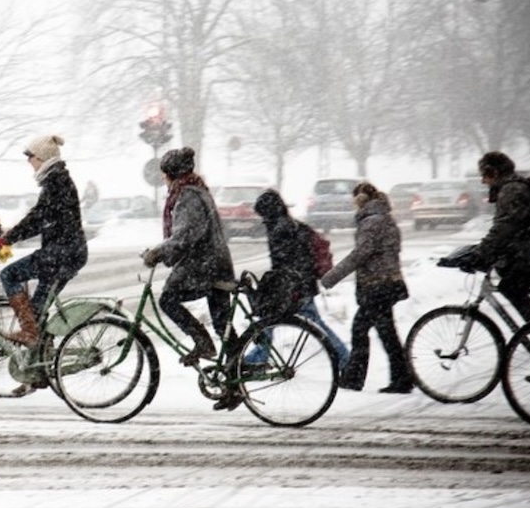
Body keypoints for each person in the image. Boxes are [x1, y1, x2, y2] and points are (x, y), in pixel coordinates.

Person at [143, 147, 236, 404]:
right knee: (223, 325)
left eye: (164, 174)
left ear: (171, 174)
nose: (163, 179)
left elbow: (185, 235)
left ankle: (203, 342)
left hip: (204, 264)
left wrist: (158, 252)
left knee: (168, 299)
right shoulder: (196, 190)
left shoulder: (188, 196)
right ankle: (235, 382)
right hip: (215, 262)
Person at [0, 134, 88, 367]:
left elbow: (37, 218)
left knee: (9, 274)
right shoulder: (57, 180)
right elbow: (41, 219)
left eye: (30, 158)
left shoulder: (56, 181)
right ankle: (40, 371)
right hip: (66, 252)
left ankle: (29, 333)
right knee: (37, 313)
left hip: (61, 254)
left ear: (42, 158)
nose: (29, 163)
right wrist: (10, 236)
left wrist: (7, 238)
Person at [320, 181, 412, 394]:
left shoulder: (371, 222)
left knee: (361, 330)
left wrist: (331, 277)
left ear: (360, 200)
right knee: (385, 332)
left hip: (377, 285)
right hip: (389, 282)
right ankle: (401, 378)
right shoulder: (386, 219)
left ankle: (355, 379)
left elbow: (360, 255)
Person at [244, 189, 350, 371]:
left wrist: (277, 287)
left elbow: (283, 265)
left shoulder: (280, 230)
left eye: (262, 214)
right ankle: (344, 358)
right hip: (302, 284)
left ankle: (345, 359)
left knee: (271, 320)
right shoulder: (292, 225)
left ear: (269, 211)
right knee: (310, 324)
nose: (261, 219)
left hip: (294, 287)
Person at [465, 151, 530, 322]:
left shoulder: (511, 190)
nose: (483, 181)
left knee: (511, 287)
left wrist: (481, 252)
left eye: (484, 175)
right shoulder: (515, 187)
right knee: (512, 281)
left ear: (494, 172)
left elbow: (505, 228)